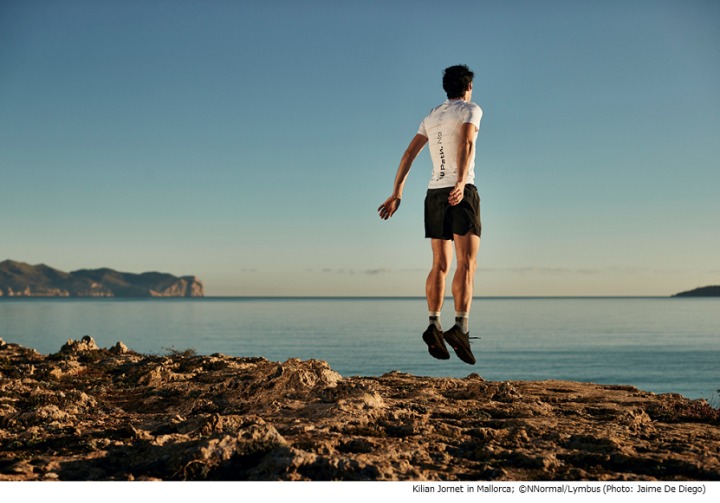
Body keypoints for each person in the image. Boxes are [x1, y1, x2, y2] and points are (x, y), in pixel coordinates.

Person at [378, 64, 482, 365]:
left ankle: (434, 323)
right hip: (460, 193)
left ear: (445, 88)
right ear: (469, 86)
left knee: (439, 264)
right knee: (467, 264)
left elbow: (408, 154)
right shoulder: (471, 109)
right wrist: (461, 182)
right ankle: (460, 327)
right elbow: (466, 140)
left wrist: (397, 192)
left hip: (433, 194)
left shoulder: (432, 116)